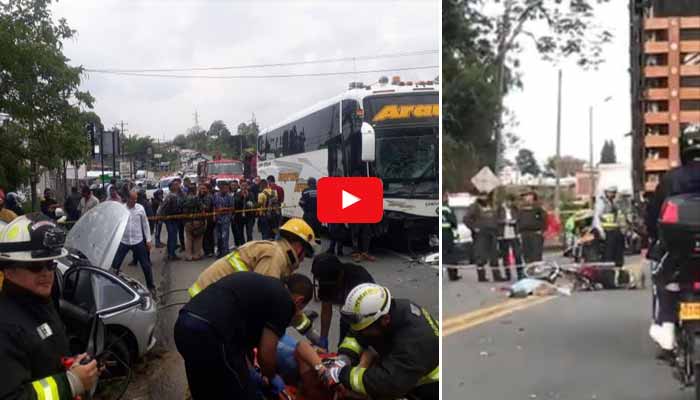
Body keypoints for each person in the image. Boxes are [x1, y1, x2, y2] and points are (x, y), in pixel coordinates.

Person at [0, 213, 100, 400]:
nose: (46, 273)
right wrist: (70, 383)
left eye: (50, 264)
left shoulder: (40, 303)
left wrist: (71, 367)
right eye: (36, 266)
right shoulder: (5, 327)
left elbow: (44, 362)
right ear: (9, 271)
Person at [174, 272, 317, 399]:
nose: (296, 313)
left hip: (184, 325)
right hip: (211, 333)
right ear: (298, 301)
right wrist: (271, 377)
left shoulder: (263, 290)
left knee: (204, 389)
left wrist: (253, 372)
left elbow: (243, 345)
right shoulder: (285, 301)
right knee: (240, 391)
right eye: (300, 309)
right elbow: (266, 353)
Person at [325, 283, 439, 400]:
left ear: (385, 320)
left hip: (431, 388)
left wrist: (342, 374)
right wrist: (344, 358)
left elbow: (385, 385)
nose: (361, 333)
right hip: (407, 372)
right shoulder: (389, 310)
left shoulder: (413, 343)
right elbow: (355, 334)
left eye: (364, 329)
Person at [646, 126, 700, 354]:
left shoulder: (670, 179)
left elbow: (653, 215)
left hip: (677, 251)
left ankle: (666, 324)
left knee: (663, 279)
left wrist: (651, 237)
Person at [187, 217, 316, 298]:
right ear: (298, 247)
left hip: (208, 294)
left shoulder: (275, 250)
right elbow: (262, 298)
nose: (304, 258)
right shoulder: (276, 256)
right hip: (209, 299)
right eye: (306, 253)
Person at [310, 253, 374, 350]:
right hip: (346, 316)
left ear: (340, 275)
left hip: (366, 318)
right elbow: (326, 309)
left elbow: (366, 317)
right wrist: (323, 338)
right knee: (342, 346)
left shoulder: (359, 279)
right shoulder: (326, 279)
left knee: (355, 350)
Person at [110, 190, 157, 297]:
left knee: (146, 265)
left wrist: (148, 240)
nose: (135, 201)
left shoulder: (140, 208)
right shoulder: (121, 209)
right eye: (132, 199)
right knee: (115, 265)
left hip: (138, 241)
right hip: (124, 241)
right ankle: (112, 286)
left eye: (136, 199)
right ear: (127, 198)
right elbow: (116, 224)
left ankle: (151, 287)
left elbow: (145, 224)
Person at [465, 191, 504, 282]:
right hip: (481, 234)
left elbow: (498, 217)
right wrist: (474, 228)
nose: (484, 197)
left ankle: (497, 276)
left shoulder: (493, 205)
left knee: (494, 256)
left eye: (485, 195)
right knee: (480, 256)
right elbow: (466, 219)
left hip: (493, 233)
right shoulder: (474, 206)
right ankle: (481, 277)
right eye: (482, 195)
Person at [593, 185, 625, 267]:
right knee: (608, 255)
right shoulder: (601, 203)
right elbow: (597, 217)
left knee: (618, 254)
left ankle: (617, 269)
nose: (613, 194)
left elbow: (618, 217)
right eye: (611, 192)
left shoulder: (613, 203)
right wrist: (601, 231)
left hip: (615, 231)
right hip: (606, 232)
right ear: (606, 192)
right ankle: (608, 273)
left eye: (614, 192)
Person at [517, 190, 547, 264]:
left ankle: (537, 272)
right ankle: (528, 271)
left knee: (536, 255)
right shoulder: (521, 209)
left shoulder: (538, 209)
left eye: (528, 196)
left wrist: (542, 230)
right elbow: (518, 221)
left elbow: (543, 219)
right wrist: (518, 233)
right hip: (524, 234)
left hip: (535, 234)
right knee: (526, 255)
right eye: (525, 196)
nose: (527, 198)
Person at [498, 194, 523, 281]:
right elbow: (495, 220)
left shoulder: (515, 209)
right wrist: (504, 221)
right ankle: (508, 274)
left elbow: (519, 220)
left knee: (517, 254)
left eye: (511, 201)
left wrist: (514, 222)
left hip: (514, 234)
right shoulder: (499, 210)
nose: (509, 203)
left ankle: (520, 274)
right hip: (503, 234)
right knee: (505, 256)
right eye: (507, 201)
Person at [159, 178, 183, 261]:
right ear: (172, 187)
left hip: (172, 218)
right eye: (175, 185)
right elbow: (170, 208)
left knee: (172, 236)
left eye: (178, 184)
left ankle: (171, 253)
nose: (178, 186)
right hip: (170, 218)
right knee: (172, 236)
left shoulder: (175, 195)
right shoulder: (172, 196)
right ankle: (171, 254)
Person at [182, 184, 205, 261]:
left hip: (187, 221)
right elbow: (202, 208)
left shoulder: (184, 198)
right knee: (197, 239)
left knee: (188, 239)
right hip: (197, 221)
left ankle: (188, 256)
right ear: (195, 190)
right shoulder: (196, 198)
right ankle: (196, 255)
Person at [213, 181, 234, 258]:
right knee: (218, 237)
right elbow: (214, 206)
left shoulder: (230, 197)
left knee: (224, 236)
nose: (225, 189)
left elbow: (232, 208)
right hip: (218, 218)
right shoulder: (215, 195)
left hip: (226, 219)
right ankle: (219, 251)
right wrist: (214, 215)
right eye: (224, 187)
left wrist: (224, 209)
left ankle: (225, 252)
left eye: (227, 188)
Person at [198, 184, 215, 258]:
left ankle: (209, 251)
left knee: (208, 235)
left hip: (209, 219)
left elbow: (207, 207)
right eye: (201, 188)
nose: (202, 190)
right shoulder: (199, 197)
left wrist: (199, 204)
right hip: (202, 219)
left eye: (204, 188)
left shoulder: (209, 197)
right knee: (205, 236)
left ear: (207, 189)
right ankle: (207, 250)